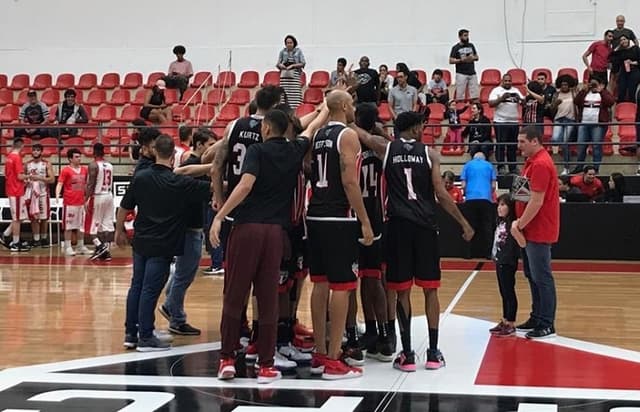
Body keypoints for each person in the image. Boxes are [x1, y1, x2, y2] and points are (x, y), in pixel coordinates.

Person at [211, 107, 327, 383]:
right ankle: (266, 364)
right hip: (276, 232)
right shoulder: (296, 149)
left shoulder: (257, 151)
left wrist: (219, 215)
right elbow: (311, 129)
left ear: (265, 129)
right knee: (269, 298)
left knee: (235, 294)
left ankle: (227, 359)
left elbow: (245, 185)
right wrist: (326, 106)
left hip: (247, 227)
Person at [355, 111, 474, 372]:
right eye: (421, 125)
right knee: (431, 289)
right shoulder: (430, 154)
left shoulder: (386, 149)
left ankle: (407, 355)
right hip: (425, 227)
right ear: (417, 128)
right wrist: (463, 223)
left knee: (402, 290)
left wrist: (352, 118)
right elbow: (441, 194)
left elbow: (362, 134)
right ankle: (433, 353)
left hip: (397, 226)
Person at [115, 135, 212, 352]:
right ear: (173, 156)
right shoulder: (178, 182)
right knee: (150, 289)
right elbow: (212, 188)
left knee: (137, 286)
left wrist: (119, 230)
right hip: (162, 244)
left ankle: (131, 333)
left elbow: (124, 206)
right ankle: (146, 337)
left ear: (155, 151)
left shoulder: (140, 177)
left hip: (140, 240)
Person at [306, 90, 374, 380]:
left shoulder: (318, 134)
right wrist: (365, 220)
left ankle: (319, 353)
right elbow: (349, 180)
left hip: (315, 214)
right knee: (343, 286)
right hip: (338, 217)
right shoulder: (347, 135)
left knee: (319, 283)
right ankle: (334, 358)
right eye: (352, 104)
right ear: (345, 106)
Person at [212, 85, 284, 351]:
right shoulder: (275, 130)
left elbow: (217, 165)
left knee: (234, 279)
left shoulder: (233, 126)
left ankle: (236, 330)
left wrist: (220, 201)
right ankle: (258, 336)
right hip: (261, 210)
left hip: (234, 209)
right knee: (264, 283)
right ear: (276, 104)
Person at [160, 129, 216, 336]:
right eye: (210, 144)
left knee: (184, 273)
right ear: (199, 145)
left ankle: (170, 303)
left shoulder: (195, 165)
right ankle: (176, 317)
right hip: (187, 228)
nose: (212, 149)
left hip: (190, 227)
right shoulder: (189, 166)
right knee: (185, 274)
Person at [352, 103, 393, 363]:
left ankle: (379, 333)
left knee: (364, 280)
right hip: (375, 216)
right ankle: (378, 332)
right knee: (370, 278)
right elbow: (385, 140)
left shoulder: (350, 141)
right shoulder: (380, 143)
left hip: (361, 215)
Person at [511, 126, 560, 340]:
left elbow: (537, 200)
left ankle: (547, 323)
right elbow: (523, 193)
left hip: (538, 228)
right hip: (529, 228)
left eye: (522, 141)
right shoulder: (530, 162)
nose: (518, 145)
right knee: (532, 275)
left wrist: (520, 223)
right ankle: (537, 316)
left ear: (534, 141)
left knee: (542, 276)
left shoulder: (540, 164)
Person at [489, 193, 520, 337]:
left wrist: (508, 258)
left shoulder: (512, 224)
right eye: (498, 205)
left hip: (508, 262)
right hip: (499, 260)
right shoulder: (500, 223)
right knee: (503, 291)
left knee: (509, 291)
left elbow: (513, 245)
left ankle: (511, 323)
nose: (499, 208)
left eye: (503, 205)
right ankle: (505, 318)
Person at [572, 76, 615, 174]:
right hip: (584, 123)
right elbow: (576, 101)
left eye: (595, 83)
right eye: (592, 83)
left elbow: (610, 102)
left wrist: (601, 91)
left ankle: (596, 168)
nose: (593, 85)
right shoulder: (585, 92)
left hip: (598, 125)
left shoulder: (604, 93)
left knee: (596, 146)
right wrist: (583, 90)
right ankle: (579, 166)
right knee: (581, 146)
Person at [460, 152, 497, 259]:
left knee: (469, 225)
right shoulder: (489, 165)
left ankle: (468, 253)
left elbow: (463, 185)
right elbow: (494, 185)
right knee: (487, 226)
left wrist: (468, 194)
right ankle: (488, 253)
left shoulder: (467, 165)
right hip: (486, 198)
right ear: (484, 158)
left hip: (471, 198)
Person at [56, 148, 90, 257]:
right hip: (70, 202)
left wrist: (87, 198)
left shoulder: (84, 170)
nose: (79, 158)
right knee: (69, 226)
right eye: (76, 157)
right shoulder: (66, 170)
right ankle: (67, 246)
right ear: (70, 159)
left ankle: (80, 246)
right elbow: (60, 183)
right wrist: (57, 194)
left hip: (81, 202)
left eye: (80, 156)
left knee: (81, 226)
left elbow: (85, 185)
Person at [489, 74, 525, 174]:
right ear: (502, 81)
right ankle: (501, 167)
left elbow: (524, 103)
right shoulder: (496, 90)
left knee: (512, 146)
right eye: (506, 81)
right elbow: (490, 104)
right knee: (501, 145)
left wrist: (520, 99)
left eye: (509, 81)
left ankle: (512, 167)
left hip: (514, 122)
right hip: (500, 121)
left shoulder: (516, 90)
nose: (508, 82)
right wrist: (501, 98)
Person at [84, 143, 115, 261]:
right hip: (109, 195)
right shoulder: (110, 165)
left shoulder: (93, 165)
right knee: (106, 225)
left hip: (98, 196)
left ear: (94, 152)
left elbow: (91, 183)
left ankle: (99, 245)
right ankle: (106, 252)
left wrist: (86, 198)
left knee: (92, 226)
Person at [1, 139, 30, 251]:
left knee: (20, 217)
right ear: (22, 146)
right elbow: (19, 176)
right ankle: (15, 242)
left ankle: (6, 234)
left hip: (12, 188)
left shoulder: (8, 157)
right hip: (16, 190)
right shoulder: (17, 158)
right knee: (17, 218)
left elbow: (6, 174)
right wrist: (29, 177)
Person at [25, 143, 55, 248]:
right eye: (34, 150)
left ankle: (44, 238)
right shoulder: (27, 164)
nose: (35, 152)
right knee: (34, 217)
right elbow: (23, 179)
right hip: (31, 194)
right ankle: (36, 239)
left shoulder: (46, 164)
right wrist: (27, 180)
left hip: (43, 193)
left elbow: (52, 179)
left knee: (44, 217)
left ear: (41, 152)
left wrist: (39, 178)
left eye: (37, 150)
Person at [549, 75, 578, 176]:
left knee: (565, 143)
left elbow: (579, 103)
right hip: (558, 119)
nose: (564, 86)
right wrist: (555, 104)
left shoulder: (574, 93)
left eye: (566, 84)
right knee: (555, 140)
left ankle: (566, 168)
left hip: (570, 120)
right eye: (562, 85)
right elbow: (551, 109)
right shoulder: (556, 94)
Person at [449, 29, 480, 102]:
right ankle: (461, 109)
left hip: (472, 73)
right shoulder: (456, 47)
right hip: (461, 74)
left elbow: (477, 57)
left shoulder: (471, 45)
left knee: (475, 95)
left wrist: (472, 58)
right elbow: (451, 60)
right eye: (465, 35)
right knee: (460, 96)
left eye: (467, 35)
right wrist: (461, 60)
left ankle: (475, 109)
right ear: (460, 37)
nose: (467, 37)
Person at [276, 34, 305, 108]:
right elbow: (278, 64)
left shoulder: (298, 51)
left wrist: (293, 66)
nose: (289, 44)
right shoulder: (282, 52)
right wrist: (281, 65)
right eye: (287, 43)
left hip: (294, 76)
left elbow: (303, 63)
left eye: (290, 43)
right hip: (284, 77)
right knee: (284, 96)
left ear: (294, 43)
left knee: (294, 97)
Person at [611, 34, 640, 102]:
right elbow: (611, 56)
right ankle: (620, 109)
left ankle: (633, 110)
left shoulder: (635, 48)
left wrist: (632, 62)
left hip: (634, 72)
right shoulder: (621, 52)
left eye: (624, 39)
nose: (623, 41)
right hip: (624, 73)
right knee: (621, 92)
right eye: (621, 40)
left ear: (628, 40)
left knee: (632, 92)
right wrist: (619, 46)